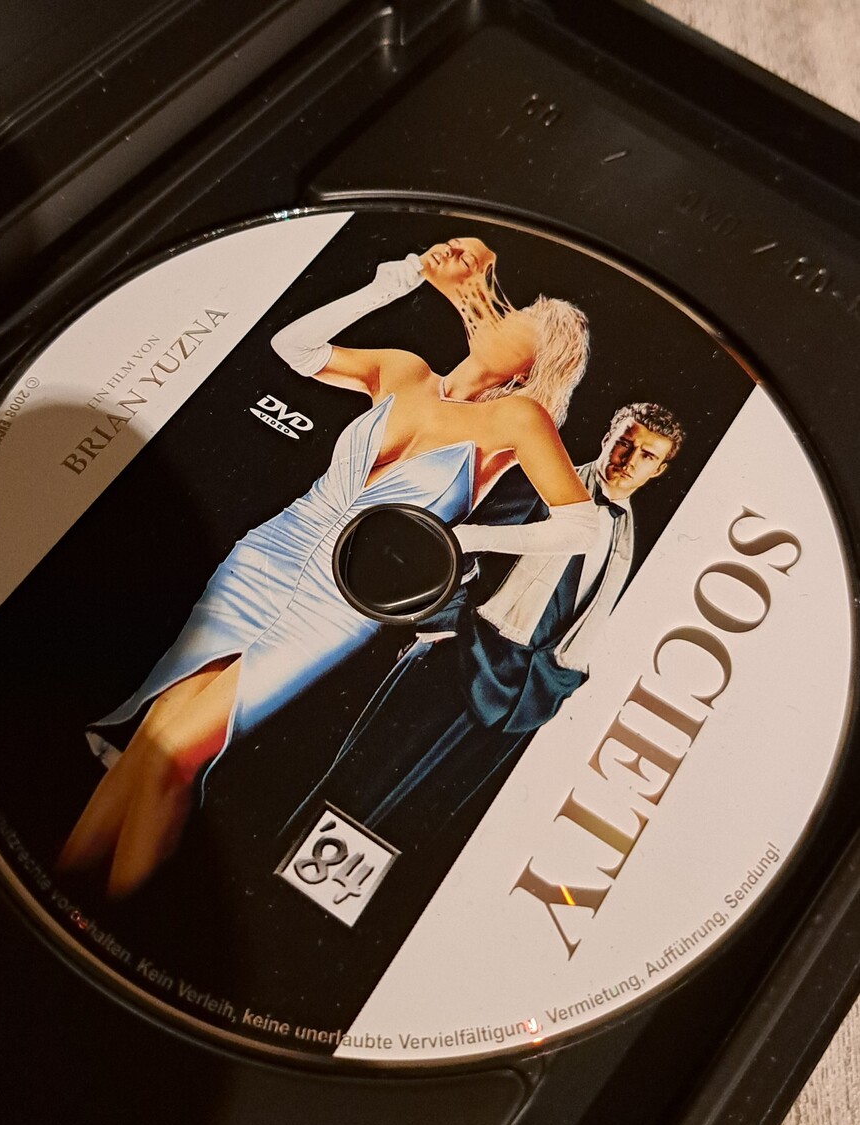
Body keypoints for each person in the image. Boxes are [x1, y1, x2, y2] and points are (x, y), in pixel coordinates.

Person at [59, 236, 596, 897]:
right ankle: (63, 894)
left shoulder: (516, 419)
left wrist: (458, 539)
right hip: (269, 553)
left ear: (532, 362)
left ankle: (121, 915)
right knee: (151, 733)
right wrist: (394, 280)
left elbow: (581, 524)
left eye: (524, 319)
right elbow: (295, 348)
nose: (503, 311)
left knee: (177, 755)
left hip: (340, 599)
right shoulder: (404, 371)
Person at [285, 402, 685, 838]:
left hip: (524, 700)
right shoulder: (540, 483)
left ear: (659, 469)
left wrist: (556, 685)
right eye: (625, 443)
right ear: (607, 438)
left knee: (415, 823)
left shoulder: (629, 536)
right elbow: (449, 550)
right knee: (358, 785)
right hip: (458, 662)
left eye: (647, 455)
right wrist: (447, 630)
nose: (629, 460)